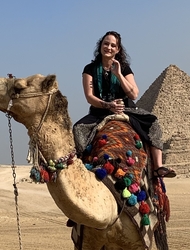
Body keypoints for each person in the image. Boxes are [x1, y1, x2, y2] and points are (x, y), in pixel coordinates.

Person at [73, 30, 176, 177]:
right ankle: (80, 169)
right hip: (100, 110)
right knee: (78, 129)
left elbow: (134, 94)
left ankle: (158, 167)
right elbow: (89, 97)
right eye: (106, 44)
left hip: (126, 108)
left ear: (118, 49)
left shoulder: (124, 68)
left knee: (153, 122)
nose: (108, 48)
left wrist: (119, 75)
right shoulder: (90, 69)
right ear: (100, 46)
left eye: (113, 45)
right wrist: (108, 105)